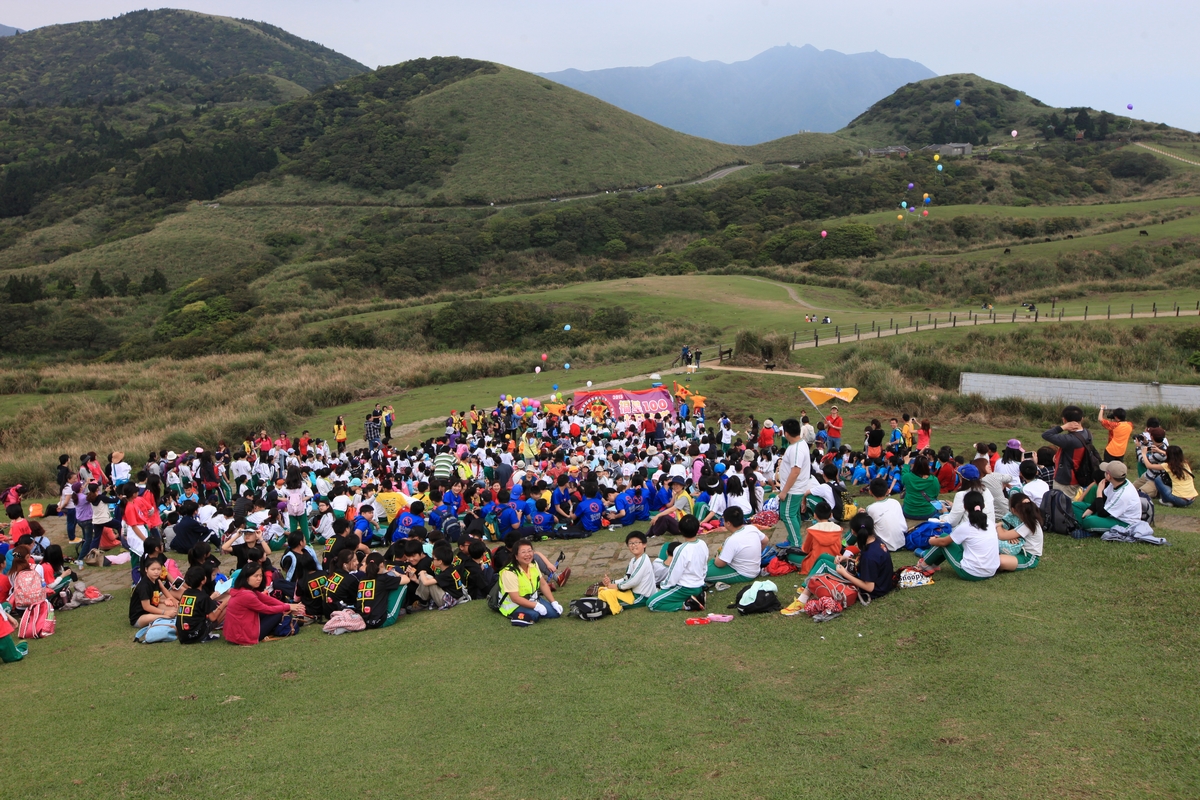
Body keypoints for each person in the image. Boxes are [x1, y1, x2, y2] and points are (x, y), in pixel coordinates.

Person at [782, 513, 893, 616]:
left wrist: (844, 573)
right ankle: (806, 587)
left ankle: (802, 600)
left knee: (823, 564)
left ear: (854, 532)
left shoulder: (870, 556)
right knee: (824, 556)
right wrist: (845, 557)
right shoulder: (875, 540)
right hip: (877, 581)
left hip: (874, 590)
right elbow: (865, 558)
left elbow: (869, 587)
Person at [917, 491, 999, 581]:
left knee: (942, 539)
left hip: (971, 573)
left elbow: (943, 542)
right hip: (991, 571)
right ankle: (933, 565)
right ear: (983, 506)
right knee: (945, 539)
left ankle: (924, 564)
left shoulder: (966, 526)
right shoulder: (990, 523)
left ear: (964, 507)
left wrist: (931, 541)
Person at [223, 563, 305, 645]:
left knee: (278, 610)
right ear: (246, 577)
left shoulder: (242, 589)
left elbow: (268, 600)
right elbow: (267, 609)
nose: (259, 579)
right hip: (244, 636)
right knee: (277, 613)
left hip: (234, 634)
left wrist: (289, 607)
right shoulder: (247, 595)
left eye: (261, 576)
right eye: (256, 576)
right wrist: (288, 606)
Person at [647, 515, 708, 612]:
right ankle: (696, 597)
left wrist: (663, 586)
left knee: (652, 603)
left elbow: (674, 573)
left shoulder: (680, 549)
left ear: (680, 529)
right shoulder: (702, 543)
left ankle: (688, 605)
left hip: (685, 588)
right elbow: (704, 566)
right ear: (698, 528)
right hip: (699, 585)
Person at [497, 539, 562, 625]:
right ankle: (515, 616)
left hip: (532, 599)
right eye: (523, 552)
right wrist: (536, 606)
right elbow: (515, 598)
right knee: (535, 615)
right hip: (514, 604)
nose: (527, 555)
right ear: (516, 556)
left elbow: (543, 584)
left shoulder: (533, 564)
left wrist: (553, 602)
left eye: (529, 551)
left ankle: (531, 610)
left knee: (555, 613)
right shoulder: (509, 572)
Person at [597, 531, 657, 613]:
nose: (633, 545)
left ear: (644, 544)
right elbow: (627, 578)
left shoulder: (643, 560)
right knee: (605, 591)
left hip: (642, 596)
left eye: (636, 543)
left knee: (607, 600)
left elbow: (633, 581)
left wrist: (616, 586)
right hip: (632, 592)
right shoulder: (633, 560)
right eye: (631, 543)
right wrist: (611, 582)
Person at [1072, 461, 1141, 531]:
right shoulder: (1116, 482)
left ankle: (1081, 524)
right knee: (1075, 505)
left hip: (1124, 523)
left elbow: (1102, 513)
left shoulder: (1123, 495)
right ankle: (1082, 523)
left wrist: (1099, 492)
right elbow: (1104, 498)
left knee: (1089, 521)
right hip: (1109, 512)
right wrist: (1089, 510)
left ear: (1108, 476)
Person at [705, 508, 768, 584]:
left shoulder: (732, 540)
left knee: (702, 574)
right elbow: (765, 540)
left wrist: (719, 551)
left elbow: (719, 564)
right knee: (710, 564)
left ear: (728, 523)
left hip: (744, 573)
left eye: (723, 519)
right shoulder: (751, 528)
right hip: (753, 568)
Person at [1042, 405, 1094, 496]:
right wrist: (1058, 456)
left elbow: (1046, 435)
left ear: (1064, 420)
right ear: (1082, 419)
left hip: (1066, 480)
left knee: (1062, 505)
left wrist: (1062, 427)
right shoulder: (1087, 433)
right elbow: (1071, 450)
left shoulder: (1069, 439)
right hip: (1080, 474)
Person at [776, 418, 811, 547]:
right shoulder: (800, 444)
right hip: (796, 487)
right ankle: (792, 537)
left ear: (786, 433)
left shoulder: (797, 449)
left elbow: (795, 471)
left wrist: (784, 491)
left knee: (787, 515)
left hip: (792, 489)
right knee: (793, 514)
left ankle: (796, 543)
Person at [176, 565, 225, 644]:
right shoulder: (203, 597)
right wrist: (224, 604)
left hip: (183, 635)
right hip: (196, 634)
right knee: (224, 607)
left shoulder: (186, 593)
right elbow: (213, 618)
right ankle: (205, 635)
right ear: (203, 580)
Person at [997, 492, 1044, 572]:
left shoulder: (1028, 524)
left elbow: (1002, 535)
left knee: (998, 561)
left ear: (1013, 510)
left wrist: (998, 525)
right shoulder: (1025, 520)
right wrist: (1009, 535)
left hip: (1028, 557)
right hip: (1018, 550)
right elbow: (1006, 532)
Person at [128, 559, 179, 628]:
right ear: (146, 569)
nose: (156, 572)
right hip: (139, 617)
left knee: (175, 609)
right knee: (168, 616)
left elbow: (163, 589)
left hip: (152, 609)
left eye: (159, 569)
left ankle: (166, 616)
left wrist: (173, 601)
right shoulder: (144, 586)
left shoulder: (156, 580)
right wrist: (165, 612)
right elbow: (147, 607)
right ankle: (165, 618)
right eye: (153, 569)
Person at [899, 454, 942, 527]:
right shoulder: (934, 480)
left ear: (915, 466)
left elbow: (904, 474)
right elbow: (935, 495)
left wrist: (906, 463)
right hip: (928, 513)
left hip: (909, 512)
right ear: (927, 466)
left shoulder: (908, 477)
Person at [864, 477, 906, 552]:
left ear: (870, 492)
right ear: (887, 491)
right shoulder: (895, 502)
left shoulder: (870, 508)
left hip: (885, 546)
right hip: (902, 542)